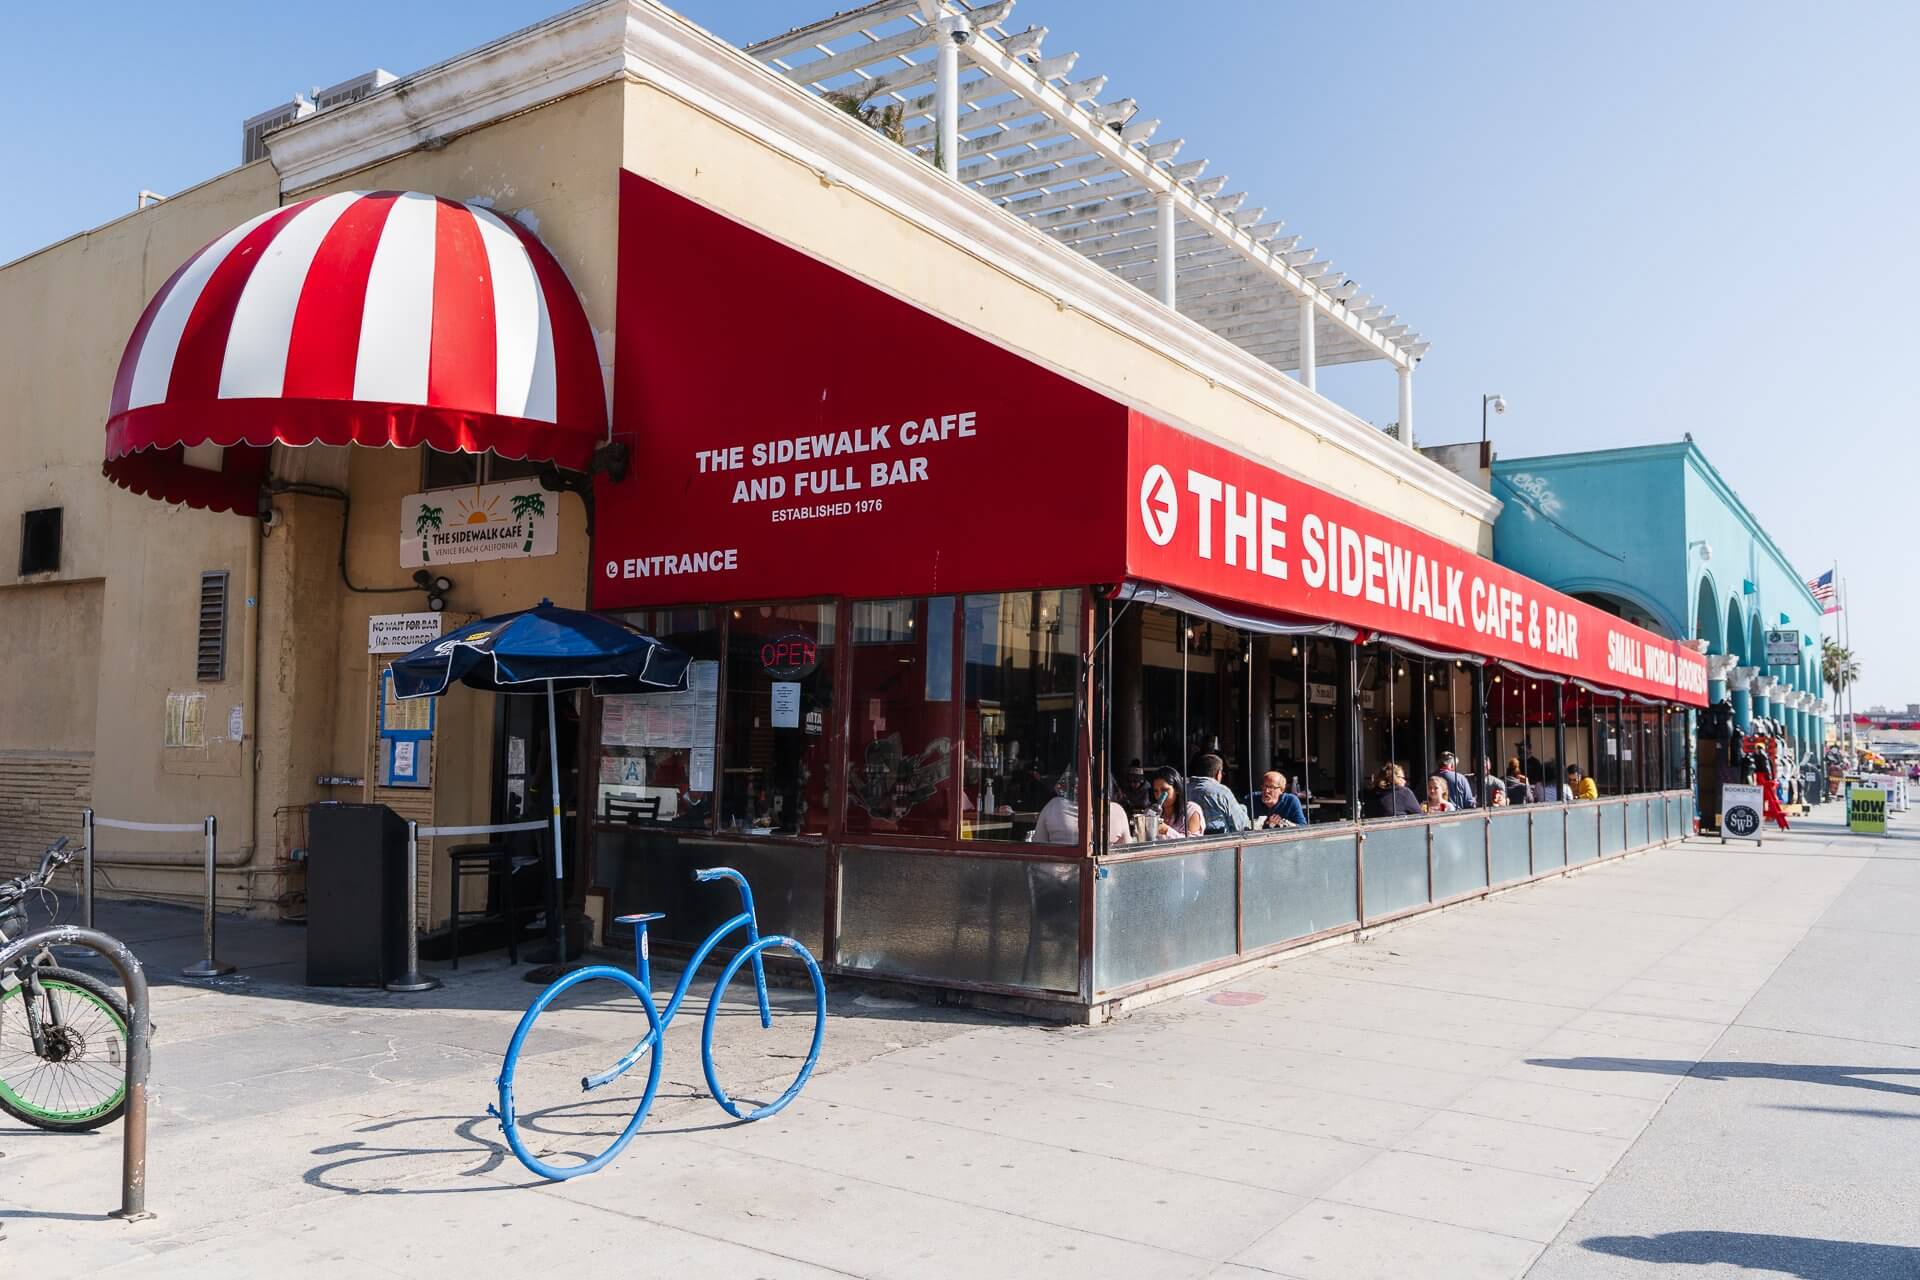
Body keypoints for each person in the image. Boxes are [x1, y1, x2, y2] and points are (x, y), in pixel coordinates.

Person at [1030, 787, 1131, 846]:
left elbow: (1038, 845)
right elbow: (1126, 851)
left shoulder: (1053, 806)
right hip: (1104, 879)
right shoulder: (1117, 810)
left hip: (1056, 877)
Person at [1187, 753, 1252, 834]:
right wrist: (1243, 809)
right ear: (1218, 773)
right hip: (1221, 841)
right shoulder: (1221, 791)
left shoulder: (1184, 789)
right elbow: (1241, 825)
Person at [1149, 767, 1205, 838]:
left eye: (1164, 790)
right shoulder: (1153, 811)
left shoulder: (1191, 810)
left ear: (1177, 790)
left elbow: (1193, 842)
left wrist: (1166, 830)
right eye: (1155, 791)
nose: (1159, 795)